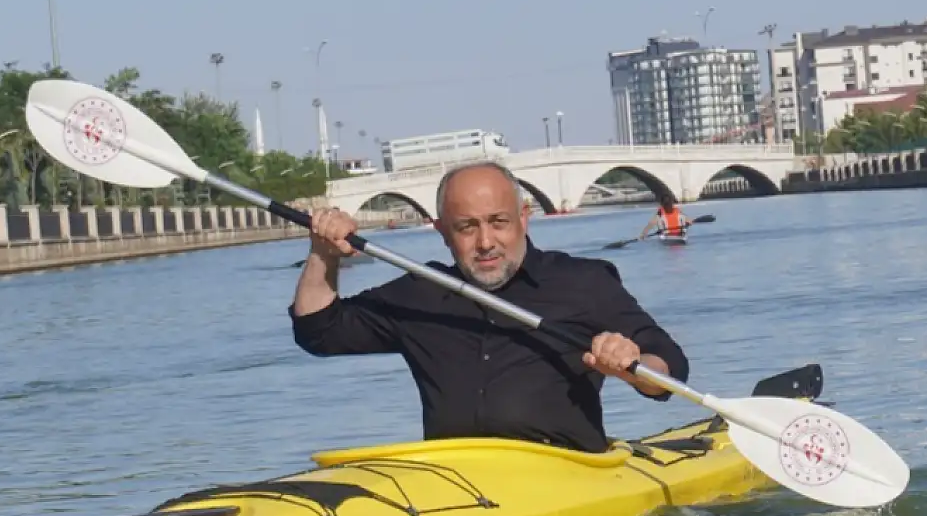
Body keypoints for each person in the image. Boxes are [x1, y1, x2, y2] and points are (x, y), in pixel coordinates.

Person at [289, 161, 689, 453]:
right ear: (443, 232)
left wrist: (634, 367)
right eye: (467, 227)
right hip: (459, 485)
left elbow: (670, 368)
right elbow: (318, 331)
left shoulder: (583, 283)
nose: (485, 242)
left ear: (523, 219)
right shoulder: (420, 293)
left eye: (498, 222)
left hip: (568, 473)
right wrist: (324, 254)